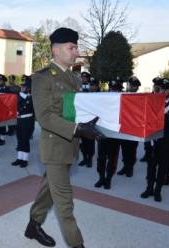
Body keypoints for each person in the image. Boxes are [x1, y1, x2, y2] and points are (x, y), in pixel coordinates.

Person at [25, 27, 103, 248]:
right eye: (72, 47)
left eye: (76, 47)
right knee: (65, 203)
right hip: (54, 149)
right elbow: (45, 117)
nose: (76, 52)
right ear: (56, 49)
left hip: (70, 147)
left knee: (49, 188)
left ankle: (33, 225)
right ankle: (77, 244)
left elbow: (77, 109)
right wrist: (78, 129)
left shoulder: (73, 78)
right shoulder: (42, 78)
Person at [141, 78, 169, 201]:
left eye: (166, 89)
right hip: (153, 141)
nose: (163, 91)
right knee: (151, 166)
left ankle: (157, 191)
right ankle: (149, 188)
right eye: (161, 89)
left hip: (167, 142)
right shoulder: (152, 104)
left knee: (163, 167)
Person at [94, 77, 123, 190]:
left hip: (115, 135)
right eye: (112, 89)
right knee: (101, 157)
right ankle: (101, 177)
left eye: (116, 89)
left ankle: (108, 179)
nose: (114, 91)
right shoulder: (102, 101)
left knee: (112, 158)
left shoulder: (123, 102)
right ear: (109, 90)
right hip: (103, 133)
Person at [117, 76, 141, 177]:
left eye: (135, 86)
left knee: (132, 149)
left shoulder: (140, 98)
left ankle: (130, 167)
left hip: (134, 128)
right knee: (124, 148)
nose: (133, 87)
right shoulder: (123, 96)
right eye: (132, 85)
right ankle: (125, 166)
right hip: (124, 126)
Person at [11, 76, 35, 168]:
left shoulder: (31, 98)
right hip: (19, 120)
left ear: (28, 88)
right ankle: (19, 158)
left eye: (24, 87)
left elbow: (32, 111)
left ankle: (25, 159)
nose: (22, 88)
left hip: (27, 121)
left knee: (25, 140)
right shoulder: (18, 97)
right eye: (21, 86)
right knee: (19, 139)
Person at [140, 77, 163, 162]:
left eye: (158, 85)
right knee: (147, 141)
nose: (156, 86)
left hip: (158, 122)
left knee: (157, 141)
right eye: (155, 84)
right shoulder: (148, 96)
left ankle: (155, 156)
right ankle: (147, 155)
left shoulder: (163, 96)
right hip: (148, 122)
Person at [78, 76, 98, 168]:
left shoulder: (99, 96)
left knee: (90, 142)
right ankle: (85, 158)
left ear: (97, 87)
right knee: (83, 142)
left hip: (92, 122)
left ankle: (89, 160)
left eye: (93, 86)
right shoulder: (85, 94)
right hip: (83, 121)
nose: (91, 87)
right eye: (91, 85)